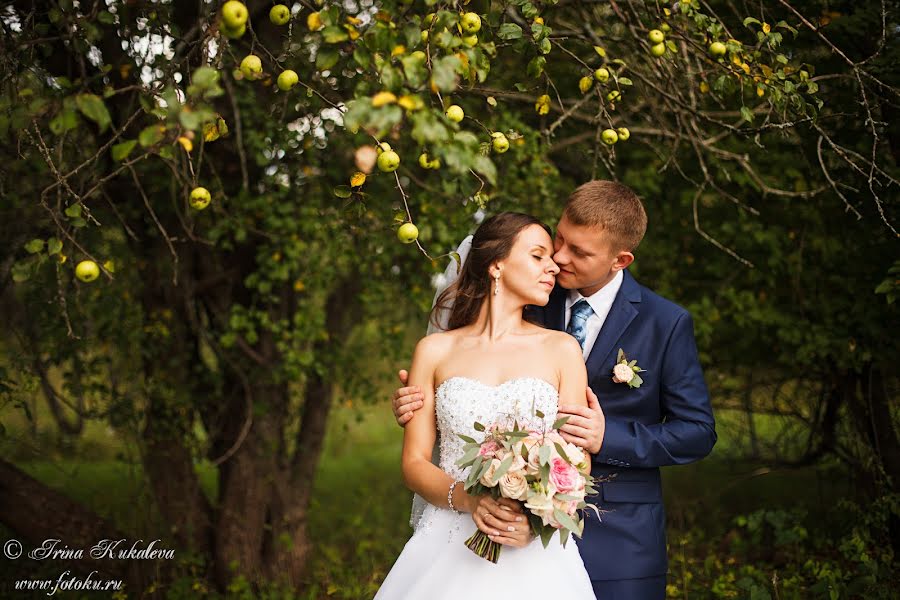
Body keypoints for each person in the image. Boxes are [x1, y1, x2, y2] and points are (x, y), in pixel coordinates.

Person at [392, 181, 717, 599]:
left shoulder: (664, 323)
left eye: (578, 252)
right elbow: (457, 386)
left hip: (617, 538)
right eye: (558, 239)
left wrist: (606, 437)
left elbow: (698, 431)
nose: (559, 259)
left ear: (620, 260)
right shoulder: (532, 291)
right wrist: (423, 402)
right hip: (476, 531)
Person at [374, 212, 596, 599]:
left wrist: (536, 517)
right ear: (496, 265)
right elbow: (413, 464)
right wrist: (468, 498)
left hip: (532, 550)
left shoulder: (562, 349)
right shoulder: (434, 351)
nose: (553, 266)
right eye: (538, 256)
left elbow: (576, 461)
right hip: (445, 542)